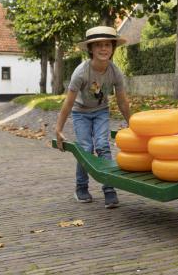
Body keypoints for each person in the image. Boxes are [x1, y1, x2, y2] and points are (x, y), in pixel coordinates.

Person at [55, 26, 130, 209]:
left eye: (107, 45)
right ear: (90, 49)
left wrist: (133, 124)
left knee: (103, 146)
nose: (103, 49)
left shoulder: (115, 72)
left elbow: (122, 101)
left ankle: (109, 189)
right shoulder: (81, 72)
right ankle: (81, 187)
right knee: (86, 148)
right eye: (98, 45)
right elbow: (68, 102)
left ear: (113, 48)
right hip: (80, 113)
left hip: (101, 111)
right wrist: (58, 129)